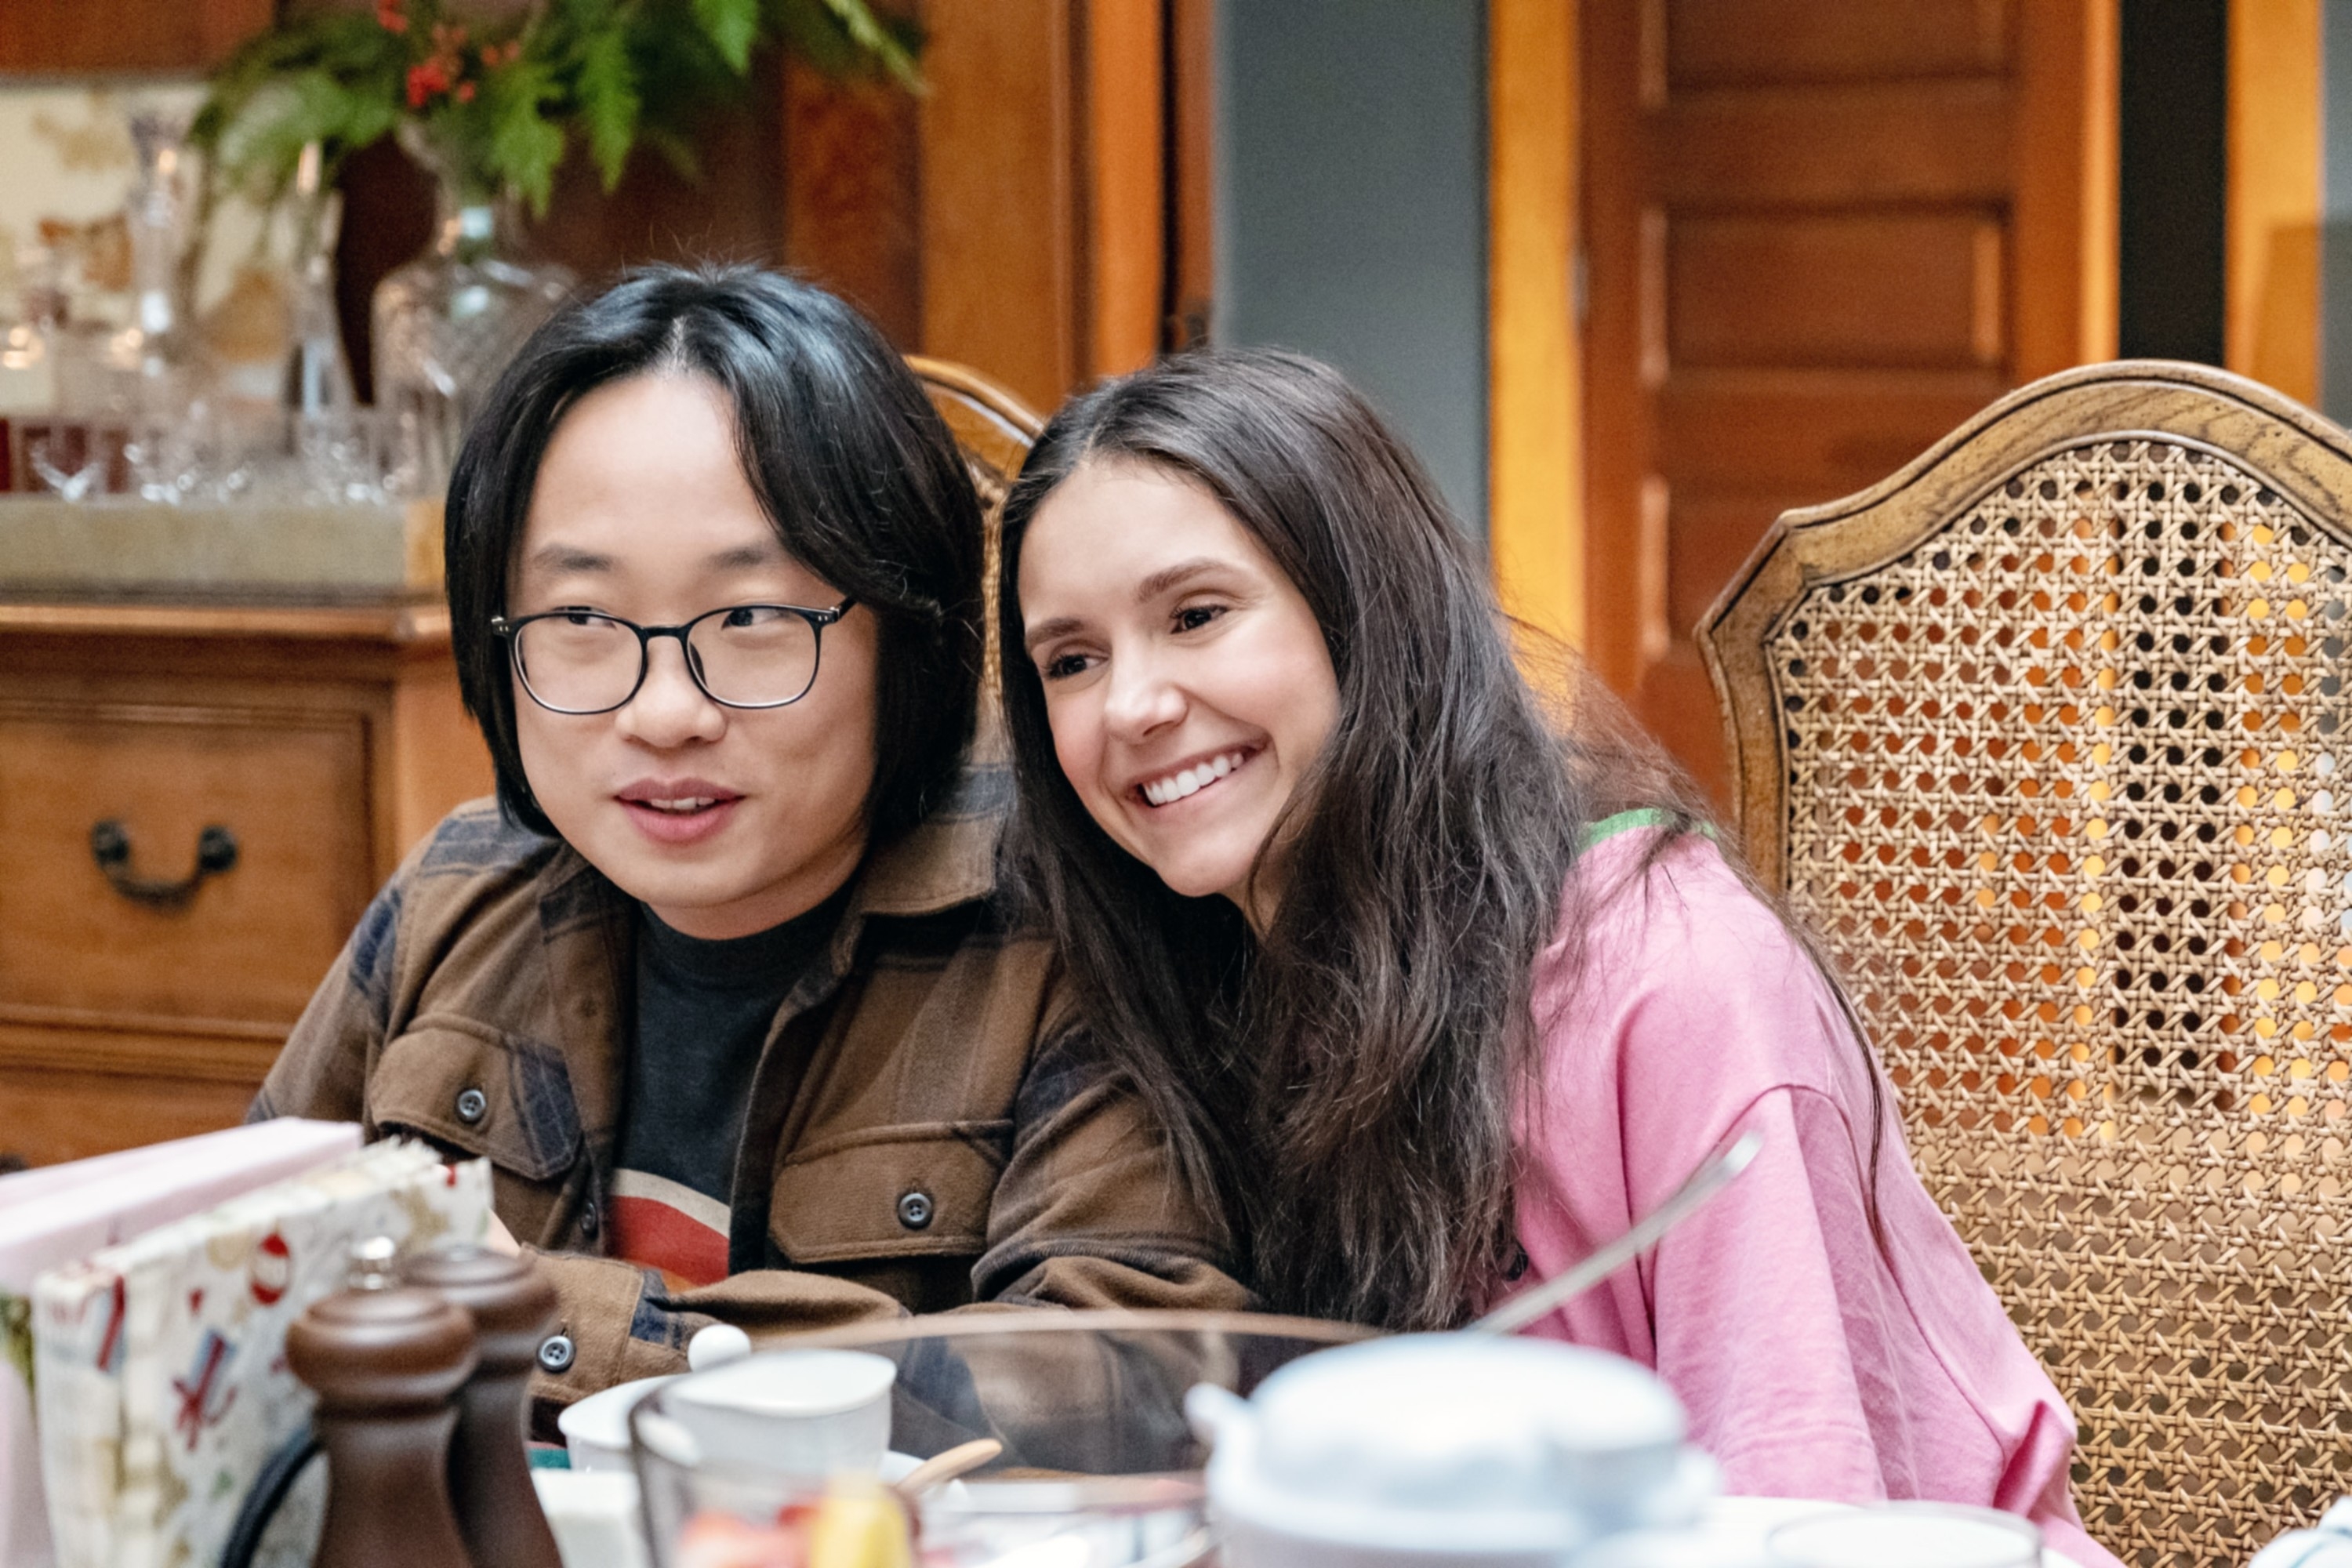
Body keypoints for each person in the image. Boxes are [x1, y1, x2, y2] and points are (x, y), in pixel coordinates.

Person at [996, 347, 2122, 1566]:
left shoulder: (1673, 974)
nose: (1131, 707)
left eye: (1197, 616)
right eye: (1072, 660)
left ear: (1365, 613)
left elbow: (1799, 1515)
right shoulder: (1188, 977)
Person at [253, 267, 1245, 1423]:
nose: (665, 711)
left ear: (909, 631)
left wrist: (533, 1316)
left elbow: (1121, 1375)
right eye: (581, 620)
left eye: (753, 620)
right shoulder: (460, 891)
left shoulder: (1069, 915)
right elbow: (237, 1263)